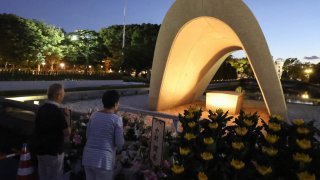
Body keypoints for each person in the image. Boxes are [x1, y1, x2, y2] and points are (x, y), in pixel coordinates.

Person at [82, 90, 124, 180]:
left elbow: (87, 136)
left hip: (88, 157)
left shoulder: (94, 115)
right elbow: (120, 143)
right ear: (116, 104)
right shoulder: (116, 119)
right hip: (104, 160)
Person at [33, 83, 71, 180]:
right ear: (58, 96)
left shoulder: (41, 109)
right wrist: (67, 117)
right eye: (62, 94)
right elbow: (67, 132)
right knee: (55, 176)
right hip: (54, 151)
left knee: (43, 175)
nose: (63, 96)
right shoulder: (58, 112)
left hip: (40, 149)